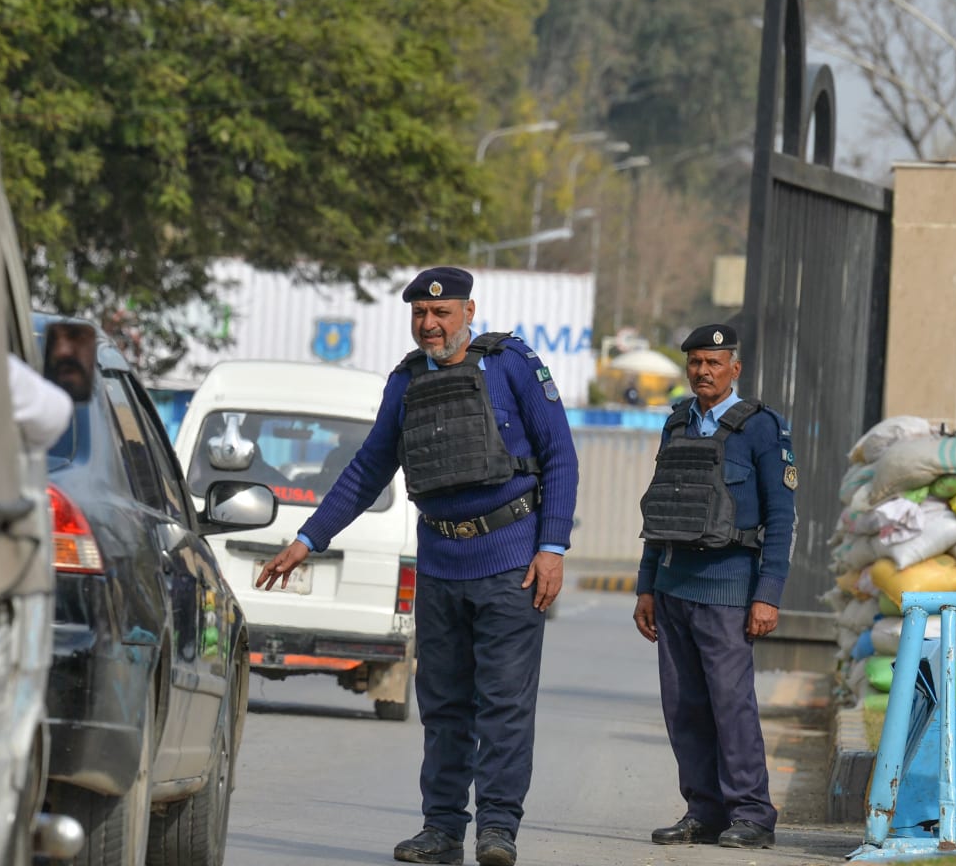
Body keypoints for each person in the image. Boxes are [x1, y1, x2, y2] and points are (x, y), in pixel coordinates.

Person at [253, 266, 579, 866]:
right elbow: (367, 469)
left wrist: (551, 547)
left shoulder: (511, 364)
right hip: (440, 566)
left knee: (504, 703)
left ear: (468, 312)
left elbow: (559, 455)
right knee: (445, 704)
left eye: (442, 313)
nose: (430, 325)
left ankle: (498, 829)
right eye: (420, 315)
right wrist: (307, 540)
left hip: (511, 562)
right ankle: (442, 830)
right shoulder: (404, 383)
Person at [632, 323, 795, 851]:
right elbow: (663, 509)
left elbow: (782, 517)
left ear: (735, 369)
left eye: (714, 363)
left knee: (731, 705)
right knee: (682, 706)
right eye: (696, 363)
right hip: (674, 585)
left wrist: (767, 593)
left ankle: (751, 814)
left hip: (729, 589)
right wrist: (646, 586)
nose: (704, 372)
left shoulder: (761, 428)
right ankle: (703, 811)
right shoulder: (677, 422)